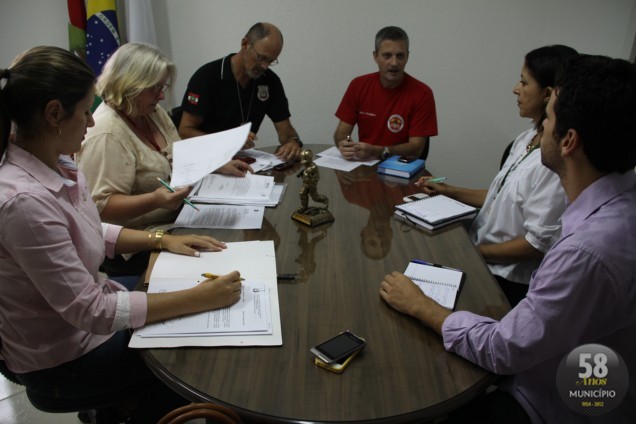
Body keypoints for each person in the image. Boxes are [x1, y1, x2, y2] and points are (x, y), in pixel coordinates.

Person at [380, 54, 636, 423]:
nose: (540, 128)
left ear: (568, 141)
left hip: (550, 404)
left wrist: (421, 305)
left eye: (548, 119)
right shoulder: (615, 205)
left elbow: (504, 349)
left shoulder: (586, 252)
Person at [0, 46, 244, 423]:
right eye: (85, 111)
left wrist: (162, 241)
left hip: (87, 312)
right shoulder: (23, 201)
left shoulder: (59, 162)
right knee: (193, 355)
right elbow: (91, 311)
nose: (92, 122)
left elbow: (90, 227)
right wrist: (197, 299)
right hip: (63, 358)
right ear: (53, 115)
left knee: (185, 286)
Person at [416, 45, 578, 306]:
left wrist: (473, 254)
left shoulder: (553, 160)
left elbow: (535, 244)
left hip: (506, 279)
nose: (516, 88)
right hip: (482, 256)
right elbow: (500, 197)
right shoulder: (525, 139)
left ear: (549, 95)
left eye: (524, 82)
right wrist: (450, 190)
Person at [76, 43, 251, 275]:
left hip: (177, 220)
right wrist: (155, 200)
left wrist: (217, 164)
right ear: (130, 85)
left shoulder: (152, 112)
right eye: (155, 87)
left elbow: (178, 154)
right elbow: (101, 208)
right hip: (137, 245)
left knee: (239, 238)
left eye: (163, 86)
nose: (161, 95)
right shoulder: (107, 133)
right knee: (225, 260)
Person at [178, 22, 302, 162]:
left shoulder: (270, 81)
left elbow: (286, 132)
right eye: (261, 58)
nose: (265, 66)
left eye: (271, 61)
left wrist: (292, 142)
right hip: (204, 161)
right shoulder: (207, 77)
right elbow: (185, 131)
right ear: (245, 44)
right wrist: (229, 141)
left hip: (242, 163)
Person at [333, 26, 438, 161]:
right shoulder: (358, 85)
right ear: (375, 56)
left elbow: (417, 148)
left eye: (400, 56)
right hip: (365, 166)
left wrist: (378, 151)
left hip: (401, 169)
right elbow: (341, 133)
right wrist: (344, 145)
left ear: (407, 57)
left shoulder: (423, 93)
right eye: (387, 55)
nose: (394, 63)